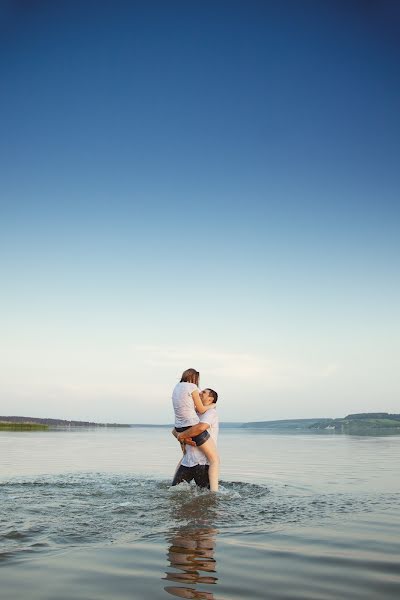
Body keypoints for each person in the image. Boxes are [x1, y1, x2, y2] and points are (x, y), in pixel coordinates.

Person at [172, 369, 220, 491]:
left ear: (210, 400)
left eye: (203, 392)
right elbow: (174, 430)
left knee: (208, 498)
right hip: (188, 462)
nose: (199, 393)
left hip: (202, 464)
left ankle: (215, 495)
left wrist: (181, 436)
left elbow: (200, 428)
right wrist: (182, 436)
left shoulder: (211, 412)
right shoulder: (193, 415)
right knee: (174, 492)